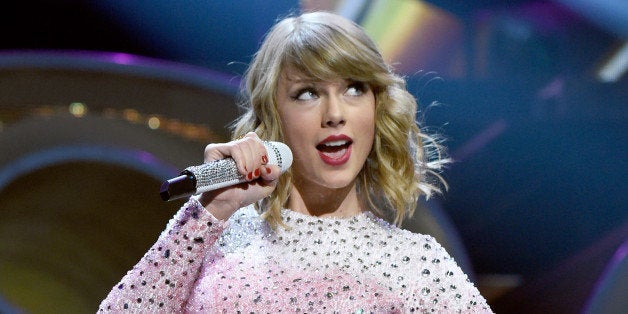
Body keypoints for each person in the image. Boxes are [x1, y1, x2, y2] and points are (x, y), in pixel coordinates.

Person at [98, 11, 492, 313]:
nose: (335, 112)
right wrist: (211, 210)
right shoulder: (216, 236)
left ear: (376, 110)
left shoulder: (416, 264)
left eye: (354, 89)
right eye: (307, 93)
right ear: (274, 117)